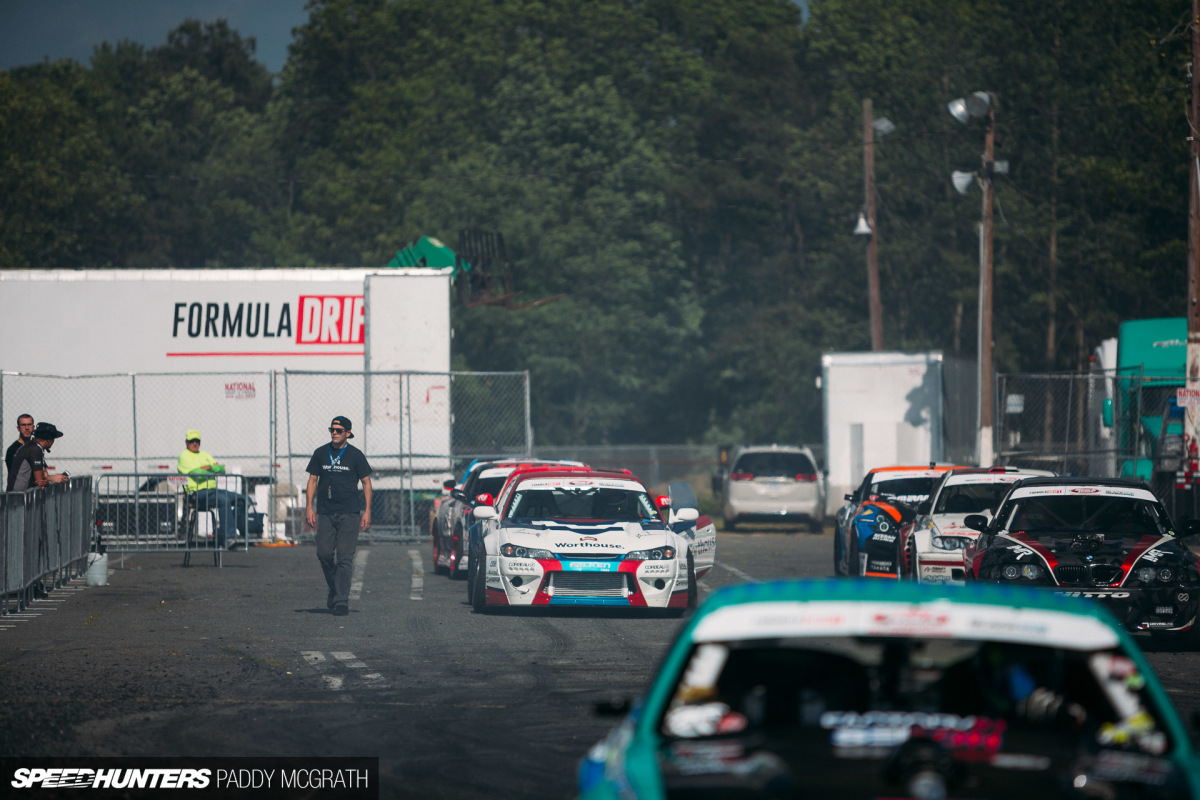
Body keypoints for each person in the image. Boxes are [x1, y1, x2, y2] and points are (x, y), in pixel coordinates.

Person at [306, 416, 372, 617]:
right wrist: (309, 506)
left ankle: (341, 601)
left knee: (345, 558)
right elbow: (312, 480)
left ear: (348, 433)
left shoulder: (356, 455)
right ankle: (335, 589)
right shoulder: (320, 453)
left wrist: (367, 510)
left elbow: (366, 483)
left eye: (338, 430)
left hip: (349, 513)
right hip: (325, 512)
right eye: (332, 429)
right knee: (324, 554)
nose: (334, 433)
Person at [178, 429, 247, 549]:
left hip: (212, 491)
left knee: (242, 499)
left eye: (197, 441)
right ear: (186, 443)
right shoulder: (184, 457)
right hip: (197, 494)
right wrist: (211, 468)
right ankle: (229, 538)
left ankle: (223, 530)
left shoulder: (204, 454)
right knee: (223, 499)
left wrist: (207, 467)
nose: (195, 443)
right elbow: (196, 473)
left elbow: (221, 469)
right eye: (192, 441)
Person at [7, 422, 69, 493]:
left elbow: (43, 474)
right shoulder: (35, 449)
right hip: (18, 497)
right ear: (48, 440)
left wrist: (47, 477)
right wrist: (52, 479)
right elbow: (40, 483)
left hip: (20, 496)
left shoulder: (34, 446)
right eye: (53, 439)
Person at [5, 413, 35, 484]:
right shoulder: (12, 450)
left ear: (33, 427)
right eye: (23, 425)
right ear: (18, 428)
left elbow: (43, 469)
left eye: (29, 425)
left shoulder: (35, 447)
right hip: (18, 493)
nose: (27, 428)